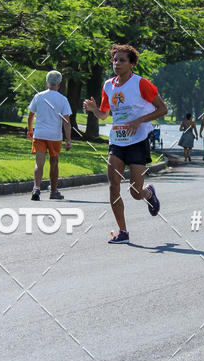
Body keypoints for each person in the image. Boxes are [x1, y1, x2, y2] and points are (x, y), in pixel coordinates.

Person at [83, 43, 167, 243]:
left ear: (131, 64)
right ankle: (123, 232)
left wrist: (138, 121)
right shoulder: (108, 85)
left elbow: (162, 109)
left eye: (122, 60)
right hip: (117, 142)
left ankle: (148, 193)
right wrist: (94, 109)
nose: (117, 63)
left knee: (135, 192)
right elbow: (104, 114)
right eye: (115, 59)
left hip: (138, 141)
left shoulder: (141, 84)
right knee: (113, 187)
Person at [27, 70, 72, 200]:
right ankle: (53, 191)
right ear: (59, 84)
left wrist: (30, 130)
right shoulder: (63, 100)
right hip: (55, 136)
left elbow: (31, 115)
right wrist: (68, 140)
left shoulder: (38, 96)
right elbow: (66, 122)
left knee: (39, 162)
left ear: (47, 83)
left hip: (39, 134)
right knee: (54, 162)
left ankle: (36, 188)